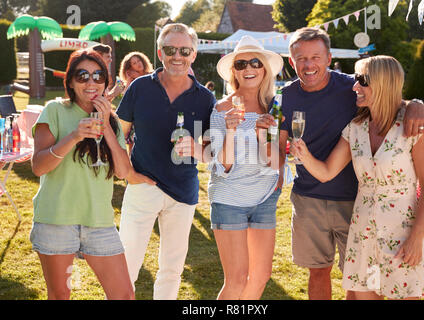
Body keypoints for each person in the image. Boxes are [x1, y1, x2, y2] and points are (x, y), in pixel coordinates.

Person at [255, 27, 424, 300]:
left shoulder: (352, 87)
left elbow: (386, 95)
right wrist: (268, 138)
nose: (309, 64)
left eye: (315, 57)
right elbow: (277, 151)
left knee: (361, 279)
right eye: (301, 58)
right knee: (318, 272)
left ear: (328, 57)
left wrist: (416, 103)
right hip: (309, 198)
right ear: (291, 61)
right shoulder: (286, 97)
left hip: (356, 201)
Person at [291, 55, 424, 300]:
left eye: (362, 80)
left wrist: (416, 238)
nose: (354, 86)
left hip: (403, 234)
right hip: (363, 234)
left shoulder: (414, 128)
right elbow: (326, 172)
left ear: (383, 83)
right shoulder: (355, 129)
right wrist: (303, 154)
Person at [116, 23, 215, 300]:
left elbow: (212, 153)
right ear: (160, 52)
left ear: (194, 54)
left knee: (171, 270)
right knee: (126, 266)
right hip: (142, 185)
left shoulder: (206, 98)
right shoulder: (139, 87)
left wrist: (197, 148)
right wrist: (128, 173)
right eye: (170, 49)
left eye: (185, 50)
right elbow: (117, 135)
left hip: (183, 192)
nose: (177, 56)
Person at [30, 49, 134, 300]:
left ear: (106, 82)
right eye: (83, 75)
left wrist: (107, 123)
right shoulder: (55, 110)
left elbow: (123, 172)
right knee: (60, 295)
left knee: (124, 295)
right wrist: (74, 136)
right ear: (71, 82)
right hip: (57, 220)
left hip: (99, 221)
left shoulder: (112, 120)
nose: (91, 82)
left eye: (98, 76)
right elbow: (39, 166)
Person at [209, 35, 285, 300]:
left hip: (263, 197)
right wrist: (230, 130)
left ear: (264, 68)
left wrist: (261, 135)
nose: (248, 69)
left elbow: (272, 160)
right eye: (241, 64)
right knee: (237, 280)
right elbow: (224, 165)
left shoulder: (274, 107)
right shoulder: (221, 108)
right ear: (234, 72)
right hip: (229, 198)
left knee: (261, 276)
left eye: (255, 62)